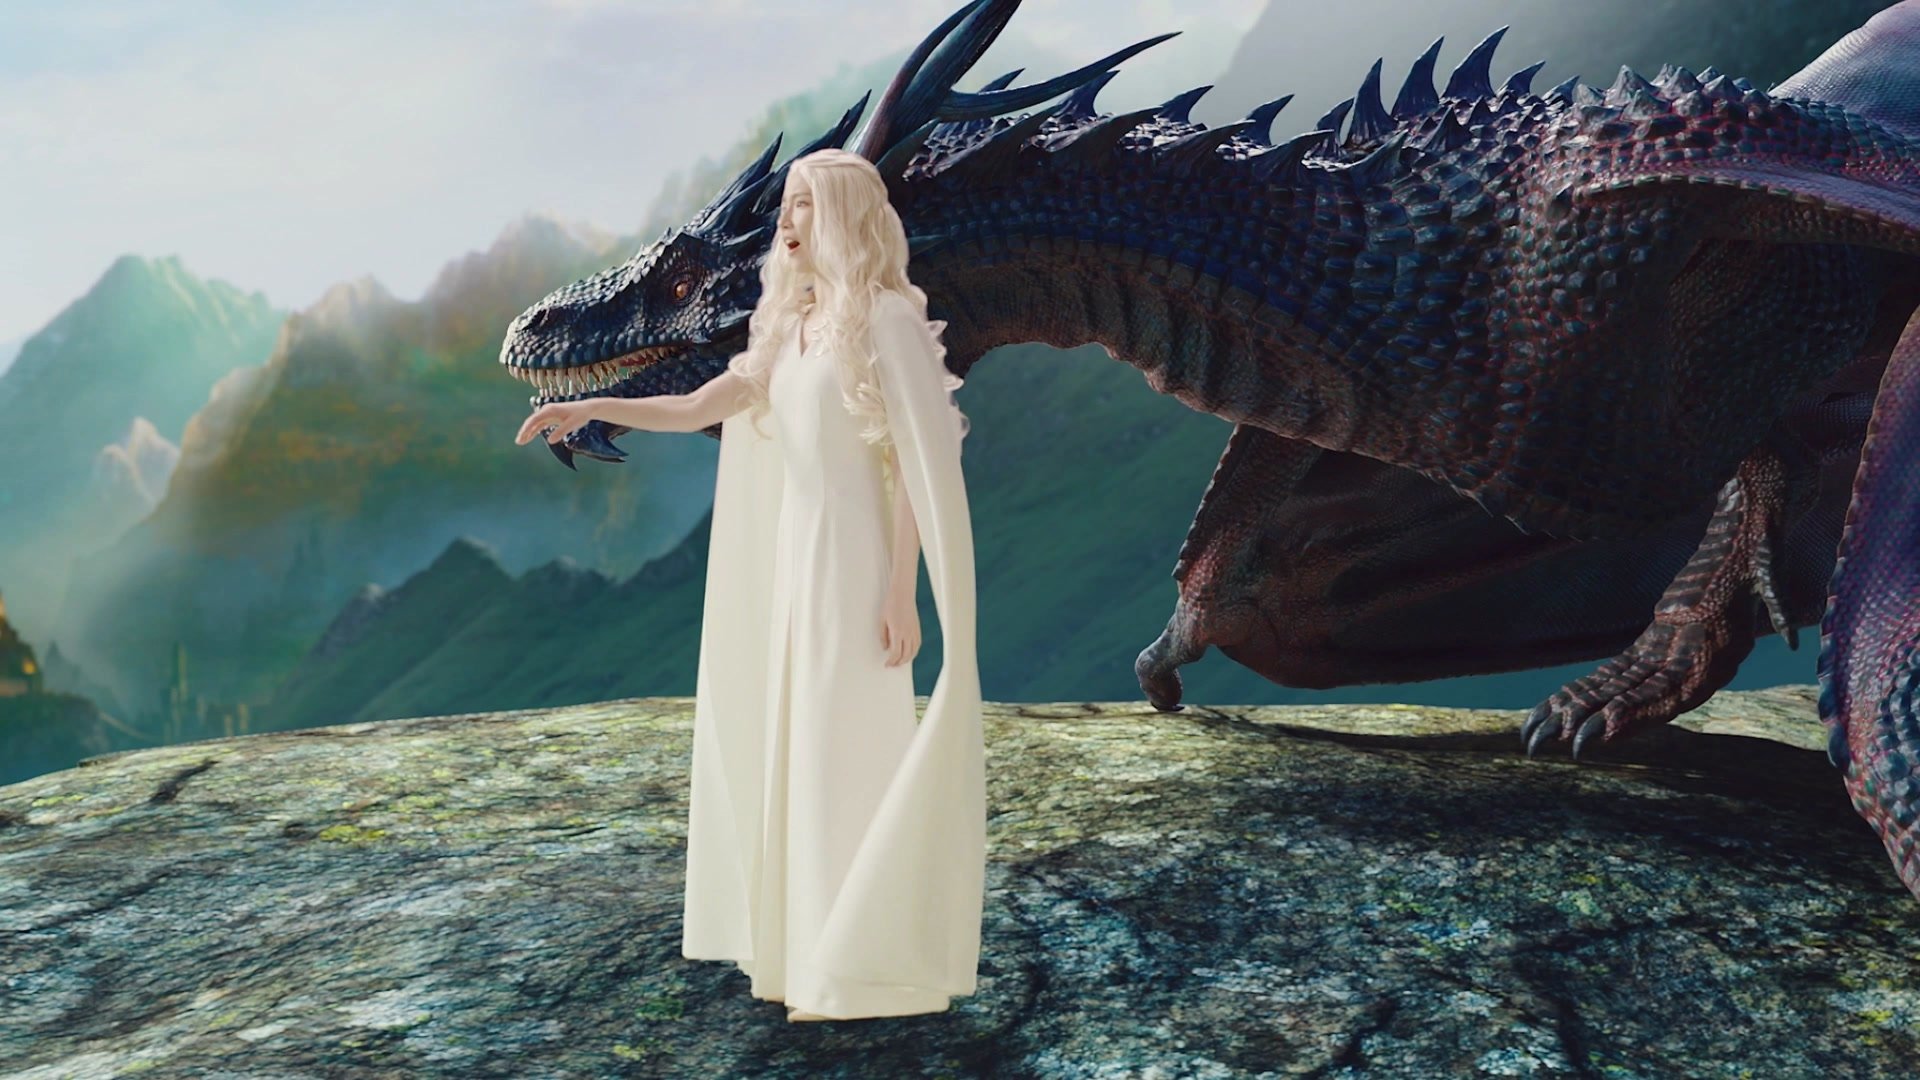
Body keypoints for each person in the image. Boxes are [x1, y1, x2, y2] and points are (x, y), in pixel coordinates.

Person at [514, 148, 984, 1022]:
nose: (789, 221)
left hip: (853, 566)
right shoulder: (791, 324)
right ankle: (804, 958)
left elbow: (914, 463)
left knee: (844, 752)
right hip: (795, 566)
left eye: (806, 204)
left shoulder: (885, 319)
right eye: (788, 204)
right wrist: (592, 406)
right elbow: (701, 406)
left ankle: (857, 967)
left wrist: (901, 590)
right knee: (794, 747)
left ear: (846, 215)